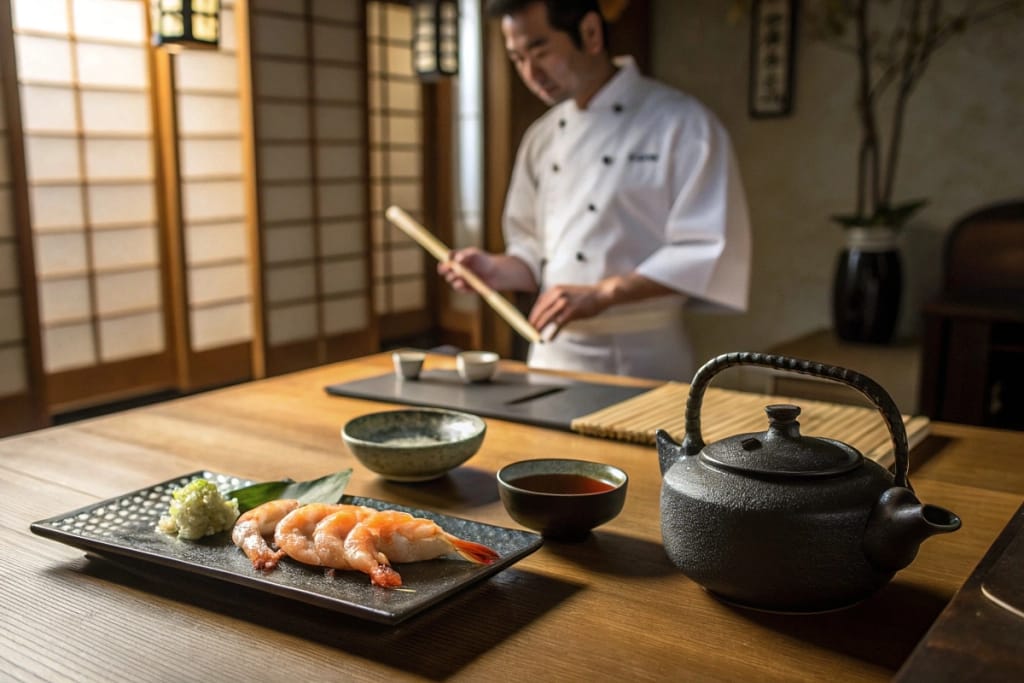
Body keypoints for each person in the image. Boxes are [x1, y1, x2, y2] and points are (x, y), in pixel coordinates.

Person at [439, 0, 751, 381]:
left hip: (644, 357)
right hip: (551, 355)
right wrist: (495, 270)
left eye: (540, 51)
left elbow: (704, 247)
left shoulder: (682, 124)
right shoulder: (543, 136)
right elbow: (532, 253)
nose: (530, 72)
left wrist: (605, 293)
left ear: (590, 32)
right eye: (517, 58)